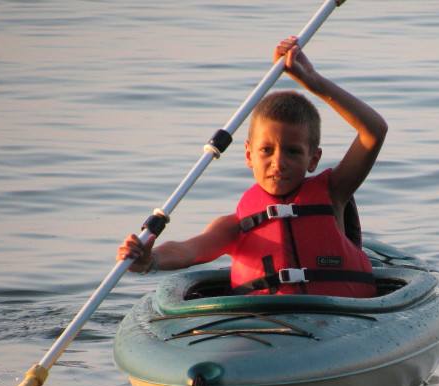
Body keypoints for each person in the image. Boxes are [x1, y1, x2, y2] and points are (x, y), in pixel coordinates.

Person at [116, 36, 387, 298]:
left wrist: (313, 81)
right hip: (264, 325)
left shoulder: (334, 192)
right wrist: (151, 260)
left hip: (338, 320)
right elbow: (188, 251)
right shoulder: (234, 226)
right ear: (248, 154)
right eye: (266, 150)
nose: (278, 162)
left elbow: (374, 131)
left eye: (293, 152)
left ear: (313, 159)